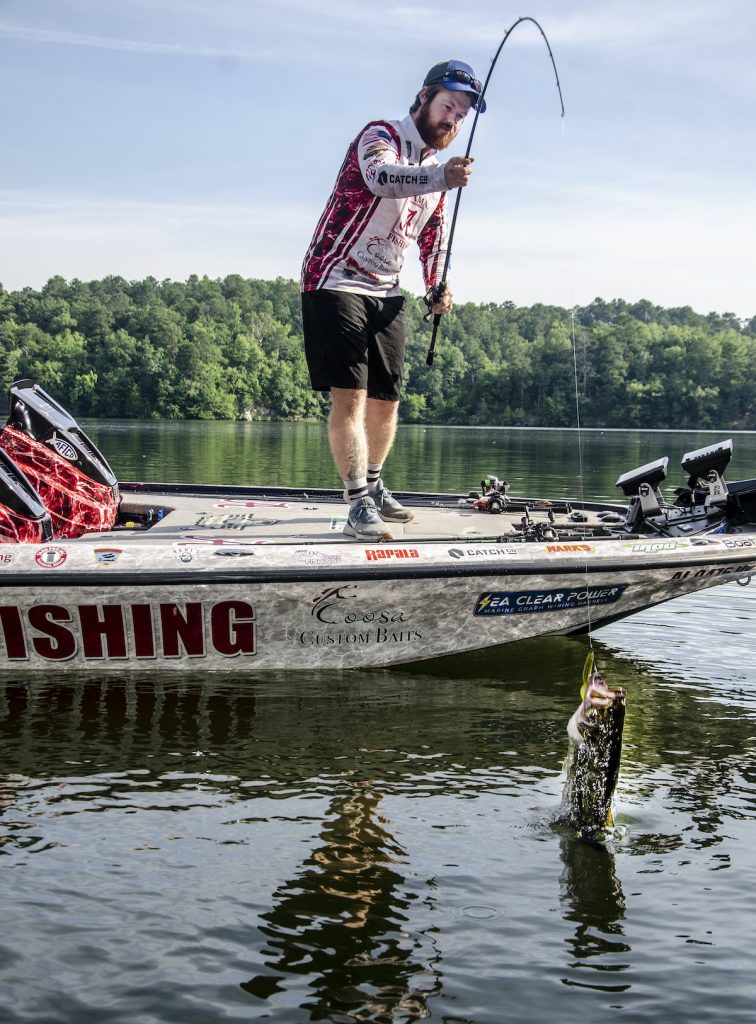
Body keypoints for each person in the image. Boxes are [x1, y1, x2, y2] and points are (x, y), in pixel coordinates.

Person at [301, 59, 485, 540]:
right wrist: (441, 177)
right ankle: (357, 501)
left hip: (387, 289)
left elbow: (432, 236)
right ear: (424, 97)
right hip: (335, 277)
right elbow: (381, 177)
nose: (452, 120)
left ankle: (377, 485)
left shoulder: (437, 171)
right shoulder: (379, 135)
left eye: (461, 115)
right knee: (353, 396)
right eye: (448, 106)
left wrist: (437, 283)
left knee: (387, 401)